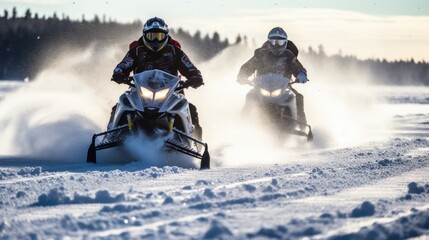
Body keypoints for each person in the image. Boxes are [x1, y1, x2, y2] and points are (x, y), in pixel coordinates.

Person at [110, 17, 204, 139]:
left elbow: (189, 66)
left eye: (159, 36)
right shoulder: (137, 51)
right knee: (122, 102)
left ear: (165, 36)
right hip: (139, 90)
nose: (155, 40)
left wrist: (195, 77)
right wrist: (119, 73)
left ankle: (194, 141)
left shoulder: (174, 51)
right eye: (151, 36)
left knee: (189, 108)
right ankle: (112, 134)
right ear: (144, 35)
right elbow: (124, 64)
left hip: (171, 91)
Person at [236, 27, 309, 124]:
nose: (277, 45)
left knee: (297, 97)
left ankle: (301, 122)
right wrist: (242, 75)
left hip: (283, 88)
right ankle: (240, 123)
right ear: (269, 42)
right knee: (250, 96)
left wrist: (301, 74)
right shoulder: (260, 55)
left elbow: (297, 66)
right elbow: (248, 66)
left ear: (285, 43)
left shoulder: (289, 56)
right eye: (274, 42)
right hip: (261, 87)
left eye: (280, 42)